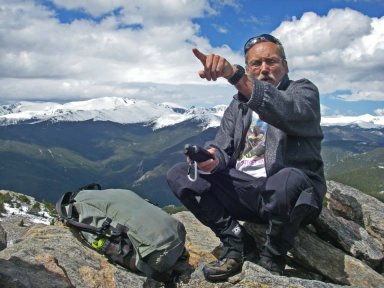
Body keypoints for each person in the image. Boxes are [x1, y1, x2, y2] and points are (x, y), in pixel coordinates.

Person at [166, 34, 326, 281]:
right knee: (179, 174)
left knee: (286, 179)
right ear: (250, 68)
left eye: (271, 61)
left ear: (285, 65)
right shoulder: (239, 105)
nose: (264, 69)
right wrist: (211, 157)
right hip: (246, 194)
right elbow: (222, 146)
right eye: (256, 64)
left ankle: (272, 257)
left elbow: (288, 111)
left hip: (291, 199)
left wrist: (235, 75)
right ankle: (236, 243)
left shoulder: (302, 91)